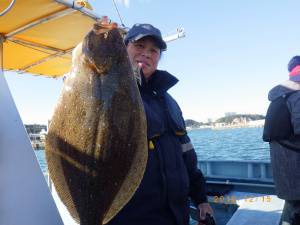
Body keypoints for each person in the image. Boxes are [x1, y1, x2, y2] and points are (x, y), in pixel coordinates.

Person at [106, 23, 213, 225]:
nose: (146, 53)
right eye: (139, 46)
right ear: (123, 48)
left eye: (153, 50)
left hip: (176, 216)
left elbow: (187, 154)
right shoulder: (108, 92)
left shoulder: (169, 101)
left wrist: (201, 199)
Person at [263, 56, 300, 225]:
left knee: (291, 207)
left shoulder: (280, 95)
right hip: (296, 166)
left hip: (284, 170)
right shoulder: (297, 92)